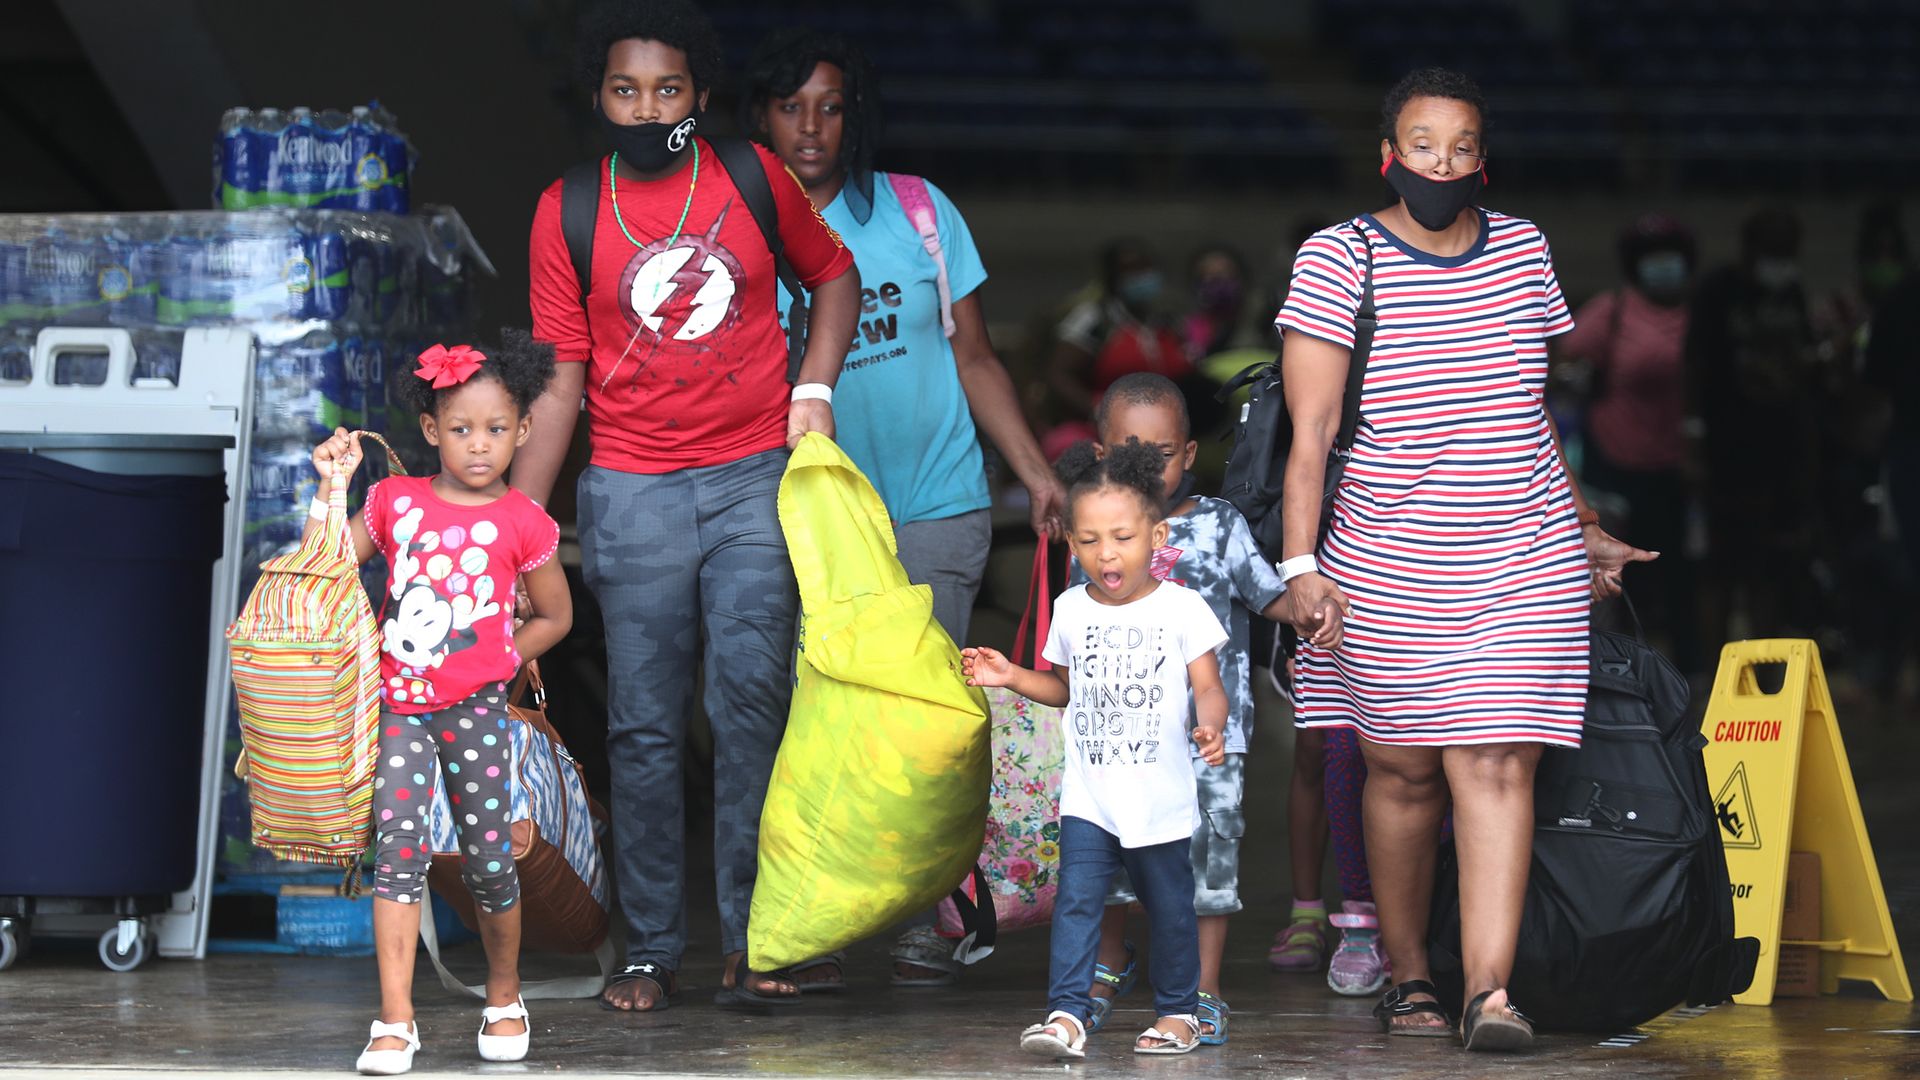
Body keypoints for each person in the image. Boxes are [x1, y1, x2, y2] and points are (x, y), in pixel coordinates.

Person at [1275, 68, 1654, 1051]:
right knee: (1402, 776)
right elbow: (1310, 437)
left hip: (1521, 554)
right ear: (1389, 154)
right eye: (1423, 143)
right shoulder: (1338, 260)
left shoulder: (1525, 248)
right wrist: (1301, 565)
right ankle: (1411, 980)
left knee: (1494, 766)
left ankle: (1491, 992)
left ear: (1484, 159)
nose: (1443, 162)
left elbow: (1529, 416)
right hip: (1384, 564)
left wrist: (1583, 524)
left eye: (1463, 146)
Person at [519, 0, 860, 1013]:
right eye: (626, 90)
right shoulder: (568, 208)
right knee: (643, 726)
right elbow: (558, 387)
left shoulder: (754, 177)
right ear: (600, 97)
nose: (646, 106)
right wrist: (517, 536)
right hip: (630, 491)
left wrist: (815, 389)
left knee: (752, 709)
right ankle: (650, 948)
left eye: (667, 89)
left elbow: (834, 279)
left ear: (700, 95)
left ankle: (760, 942)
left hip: (756, 477)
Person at [739, 27, 1067, 990]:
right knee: (816, 725)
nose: (810, 126)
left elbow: (975, 357)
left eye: (830, 105)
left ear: (856, 115)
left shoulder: (919, 213)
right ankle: (818, 917)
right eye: (791, 105)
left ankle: (929, 909)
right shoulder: (742, 227)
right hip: (810, 524)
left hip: (933, 503)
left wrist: (1034, 472)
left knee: (921, 721)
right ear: (758, 116)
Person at [308, 334, 571, 1076]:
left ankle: (504, 994)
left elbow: (555, 617)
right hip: (402, 710)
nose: (479, 445)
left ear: (522, 430)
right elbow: (325, 563)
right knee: (397, 852)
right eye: (460, 430)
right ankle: (395, 1019)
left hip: (479, 714)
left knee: (489, 860)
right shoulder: (396, 502)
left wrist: (502, 656)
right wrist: (334, 487)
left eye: (496, 429)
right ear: (431, 431)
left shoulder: (525, 521)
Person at [1070, 374, 1331, 1045]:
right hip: (1121, 739)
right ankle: (1108, 962)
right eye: (1127, 451)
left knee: (1208, 862)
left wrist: (1313, 610)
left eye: (1160, 452)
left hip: (1213, 736)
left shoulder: (1219, 524)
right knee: (1115, 859)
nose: (1144, 466)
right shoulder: (1098, 536)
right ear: (1101, 455)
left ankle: (1204, 989)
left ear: (1188, 456)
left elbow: (1268, 595)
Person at [962, 439, 1231, 1059]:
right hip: (1089, 796)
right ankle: (1066, 1014)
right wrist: (1010, 676)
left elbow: (1208, 687)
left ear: (1156, 535)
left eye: (1122, 537)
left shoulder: (1182, 607)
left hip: (1158, 799)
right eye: (1088, 541)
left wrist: (1210, 728)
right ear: (1071, 542)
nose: (1105, 554)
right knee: (1077, 903)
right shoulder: (1071, 609)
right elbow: (1060, 688)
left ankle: (1178, 1014)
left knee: (1168, 911)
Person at [1556, 214, 1697, 667]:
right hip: (1612, 467)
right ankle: (1612, 675)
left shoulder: (1699, 316)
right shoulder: (1611, 312)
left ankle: (1685, 676)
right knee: (1613, 583)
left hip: (1676, 468)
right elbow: (1562, 364)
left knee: (1679, 579)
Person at [1685, 207, 1821, 644]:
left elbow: (1802, 363)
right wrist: (1694, 437)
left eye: (1789, 252)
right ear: (1751, 250)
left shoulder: (1792, 293)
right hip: (1726, 451)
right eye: (1774, 251)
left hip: (1779, 451)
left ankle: (1765, 670)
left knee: (1771, 568)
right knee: (1720, 569)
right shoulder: (1718, 291)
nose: (1781, 261)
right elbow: (1695, 366)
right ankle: (1715, 669)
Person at [1043, 240, 1191, 455]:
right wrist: (1096, 407)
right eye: (1132, 270)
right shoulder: (1095, 321)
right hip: (1104, 432)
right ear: (1114, 278)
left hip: (1164, 431)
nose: (1142, 276)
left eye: (1146, 268)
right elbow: (1058, 373)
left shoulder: (1168, 321)